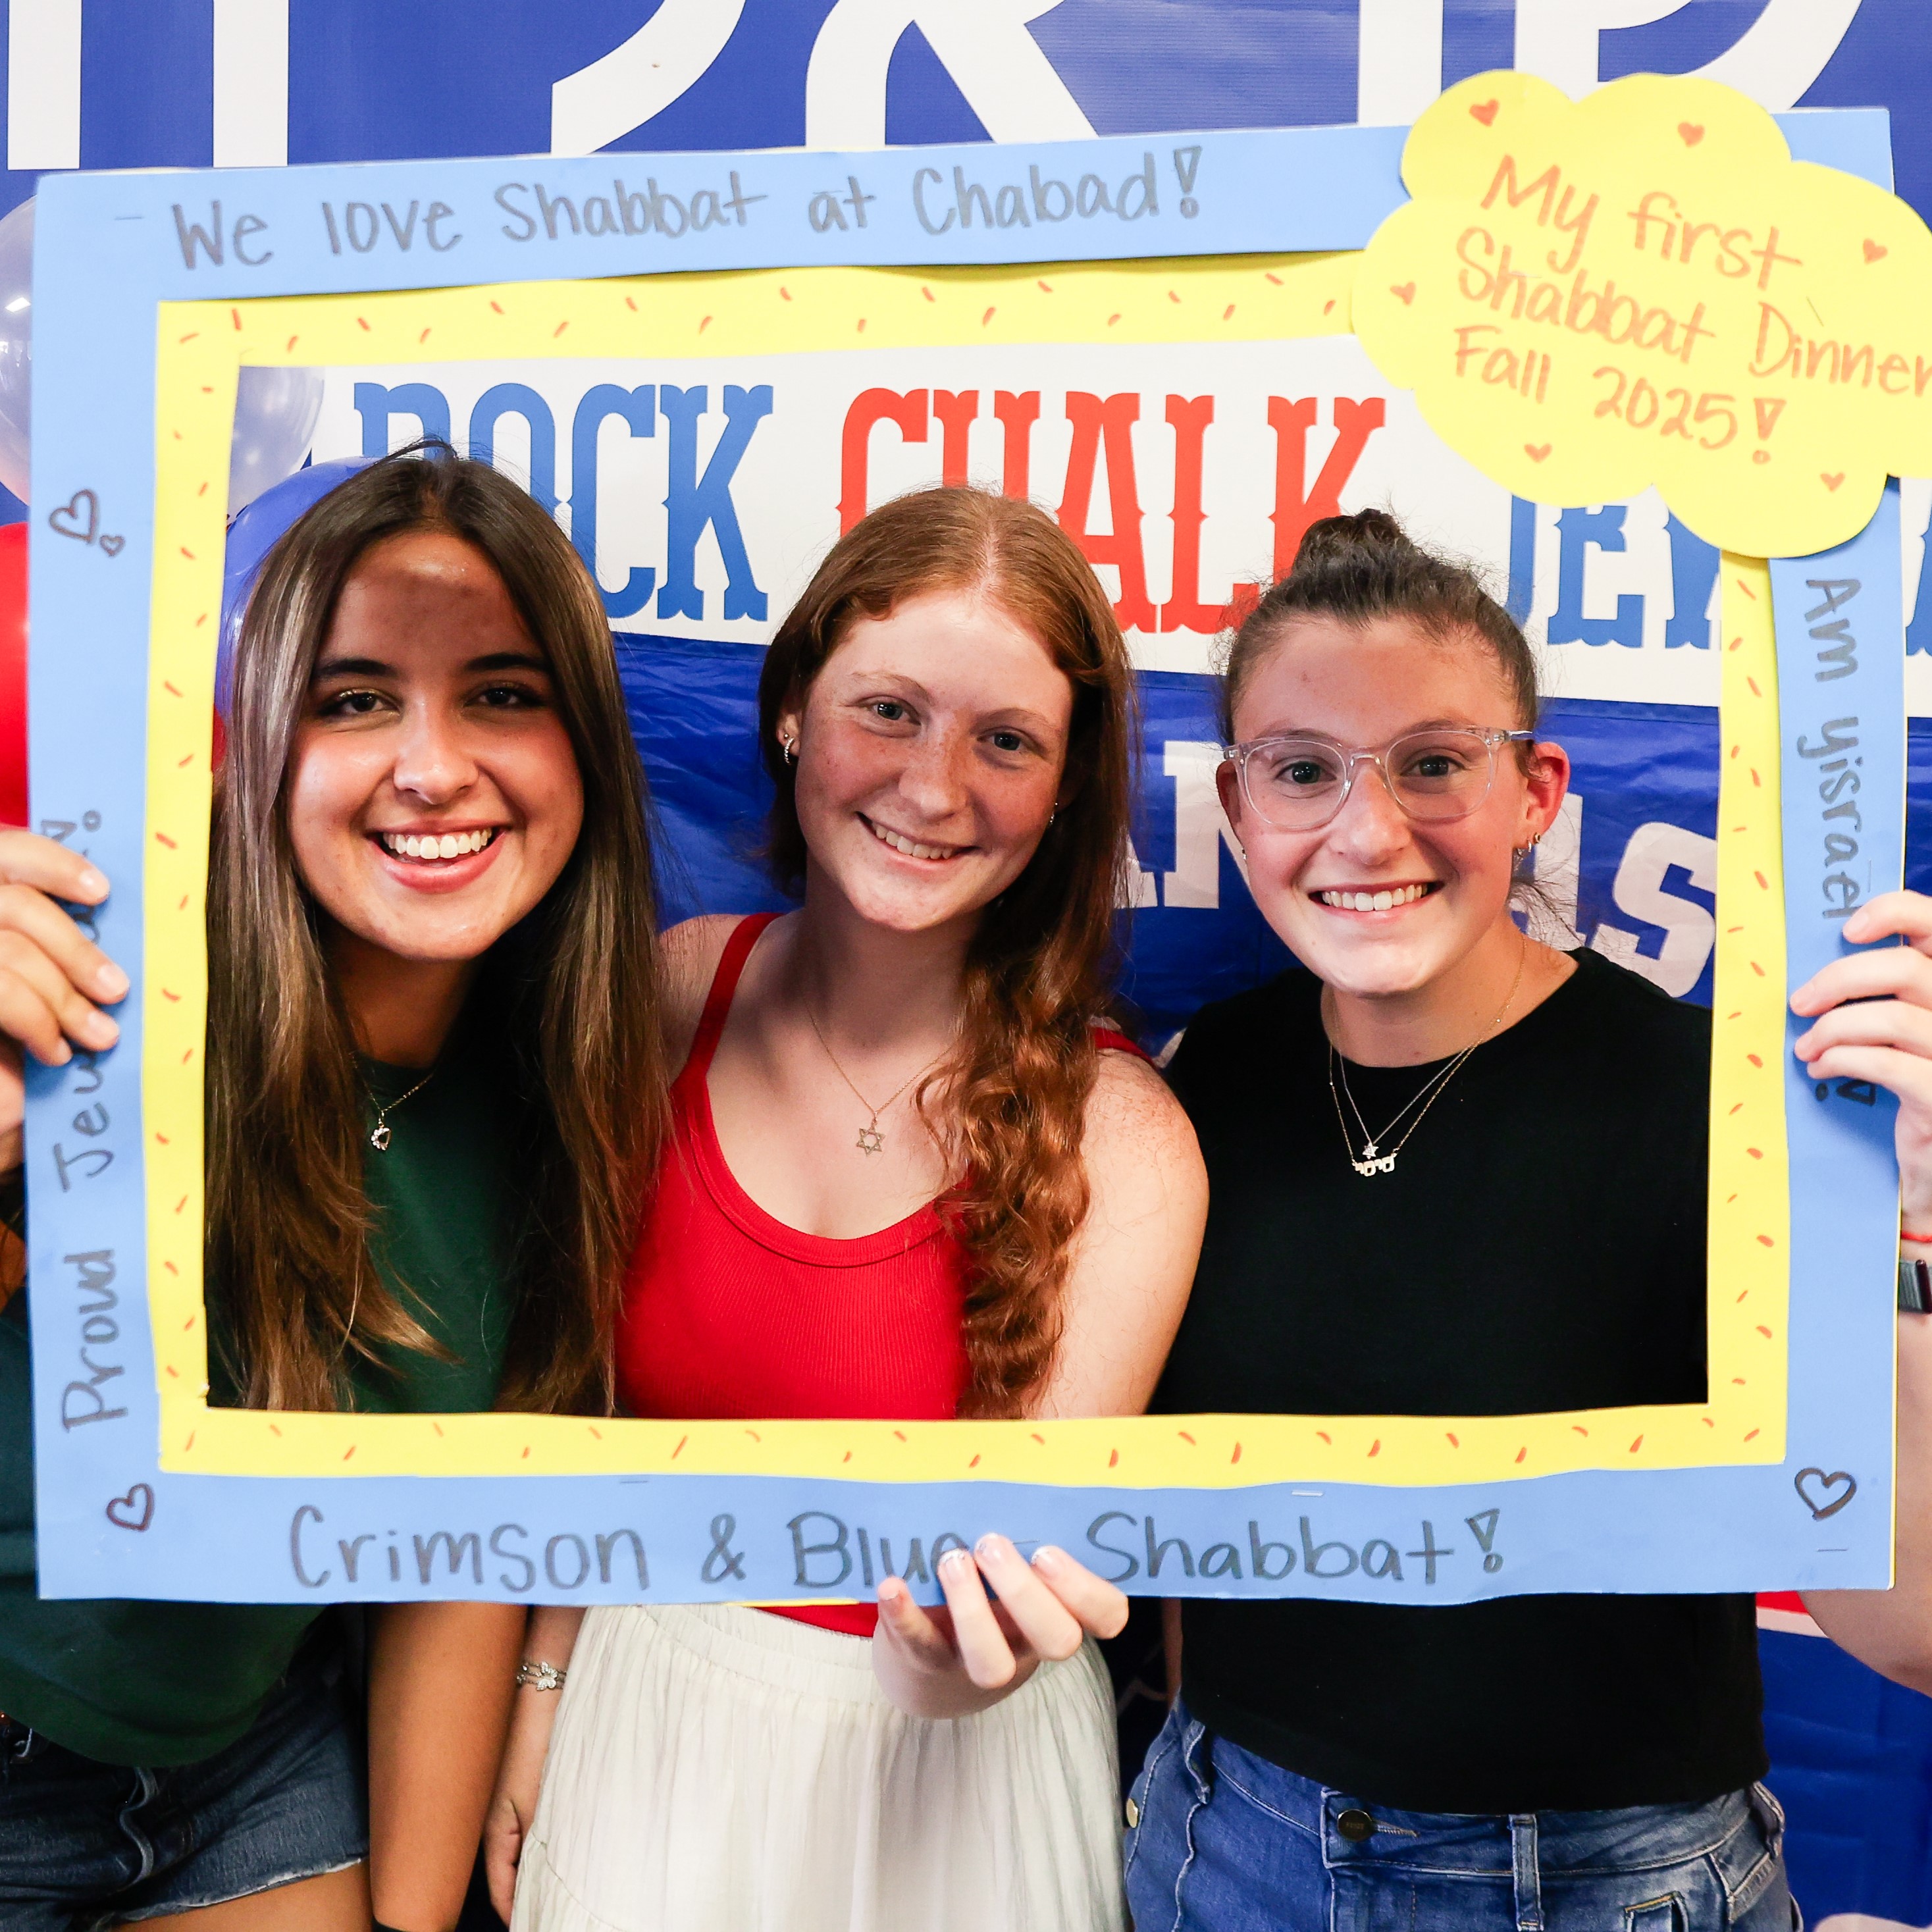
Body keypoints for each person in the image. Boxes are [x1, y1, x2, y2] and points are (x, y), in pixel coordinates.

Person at [1127, 506, 1894, 1929]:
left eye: (1432, 763)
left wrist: (1904, 1238)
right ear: (1237, 805)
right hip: (1224, 1846)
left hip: (1602, 1884)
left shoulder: (1715, 1108)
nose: (1368, 828)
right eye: (1302, 769)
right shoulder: (1201, 1080)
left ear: (1535, 790)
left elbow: (1903, 1628)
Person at [486, 486, 1207, 1932]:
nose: (935, 789)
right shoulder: (669, 991)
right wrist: (542, 1689)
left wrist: (953, 1657)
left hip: (949, 1797)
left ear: (1066, 789)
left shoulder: (1124, 1139)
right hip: (646, 1727)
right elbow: (588, 1420)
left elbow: (1002, 1604)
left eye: (1006, 740)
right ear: (790, 715)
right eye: (889, 711)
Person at [0, 445, 667, 1930]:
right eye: (355, 699)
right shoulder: (110, 998)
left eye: (503, 693)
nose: (432, 767)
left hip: (251, 1760)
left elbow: (461, 1543)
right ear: (256, 741)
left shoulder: (563, 1090)